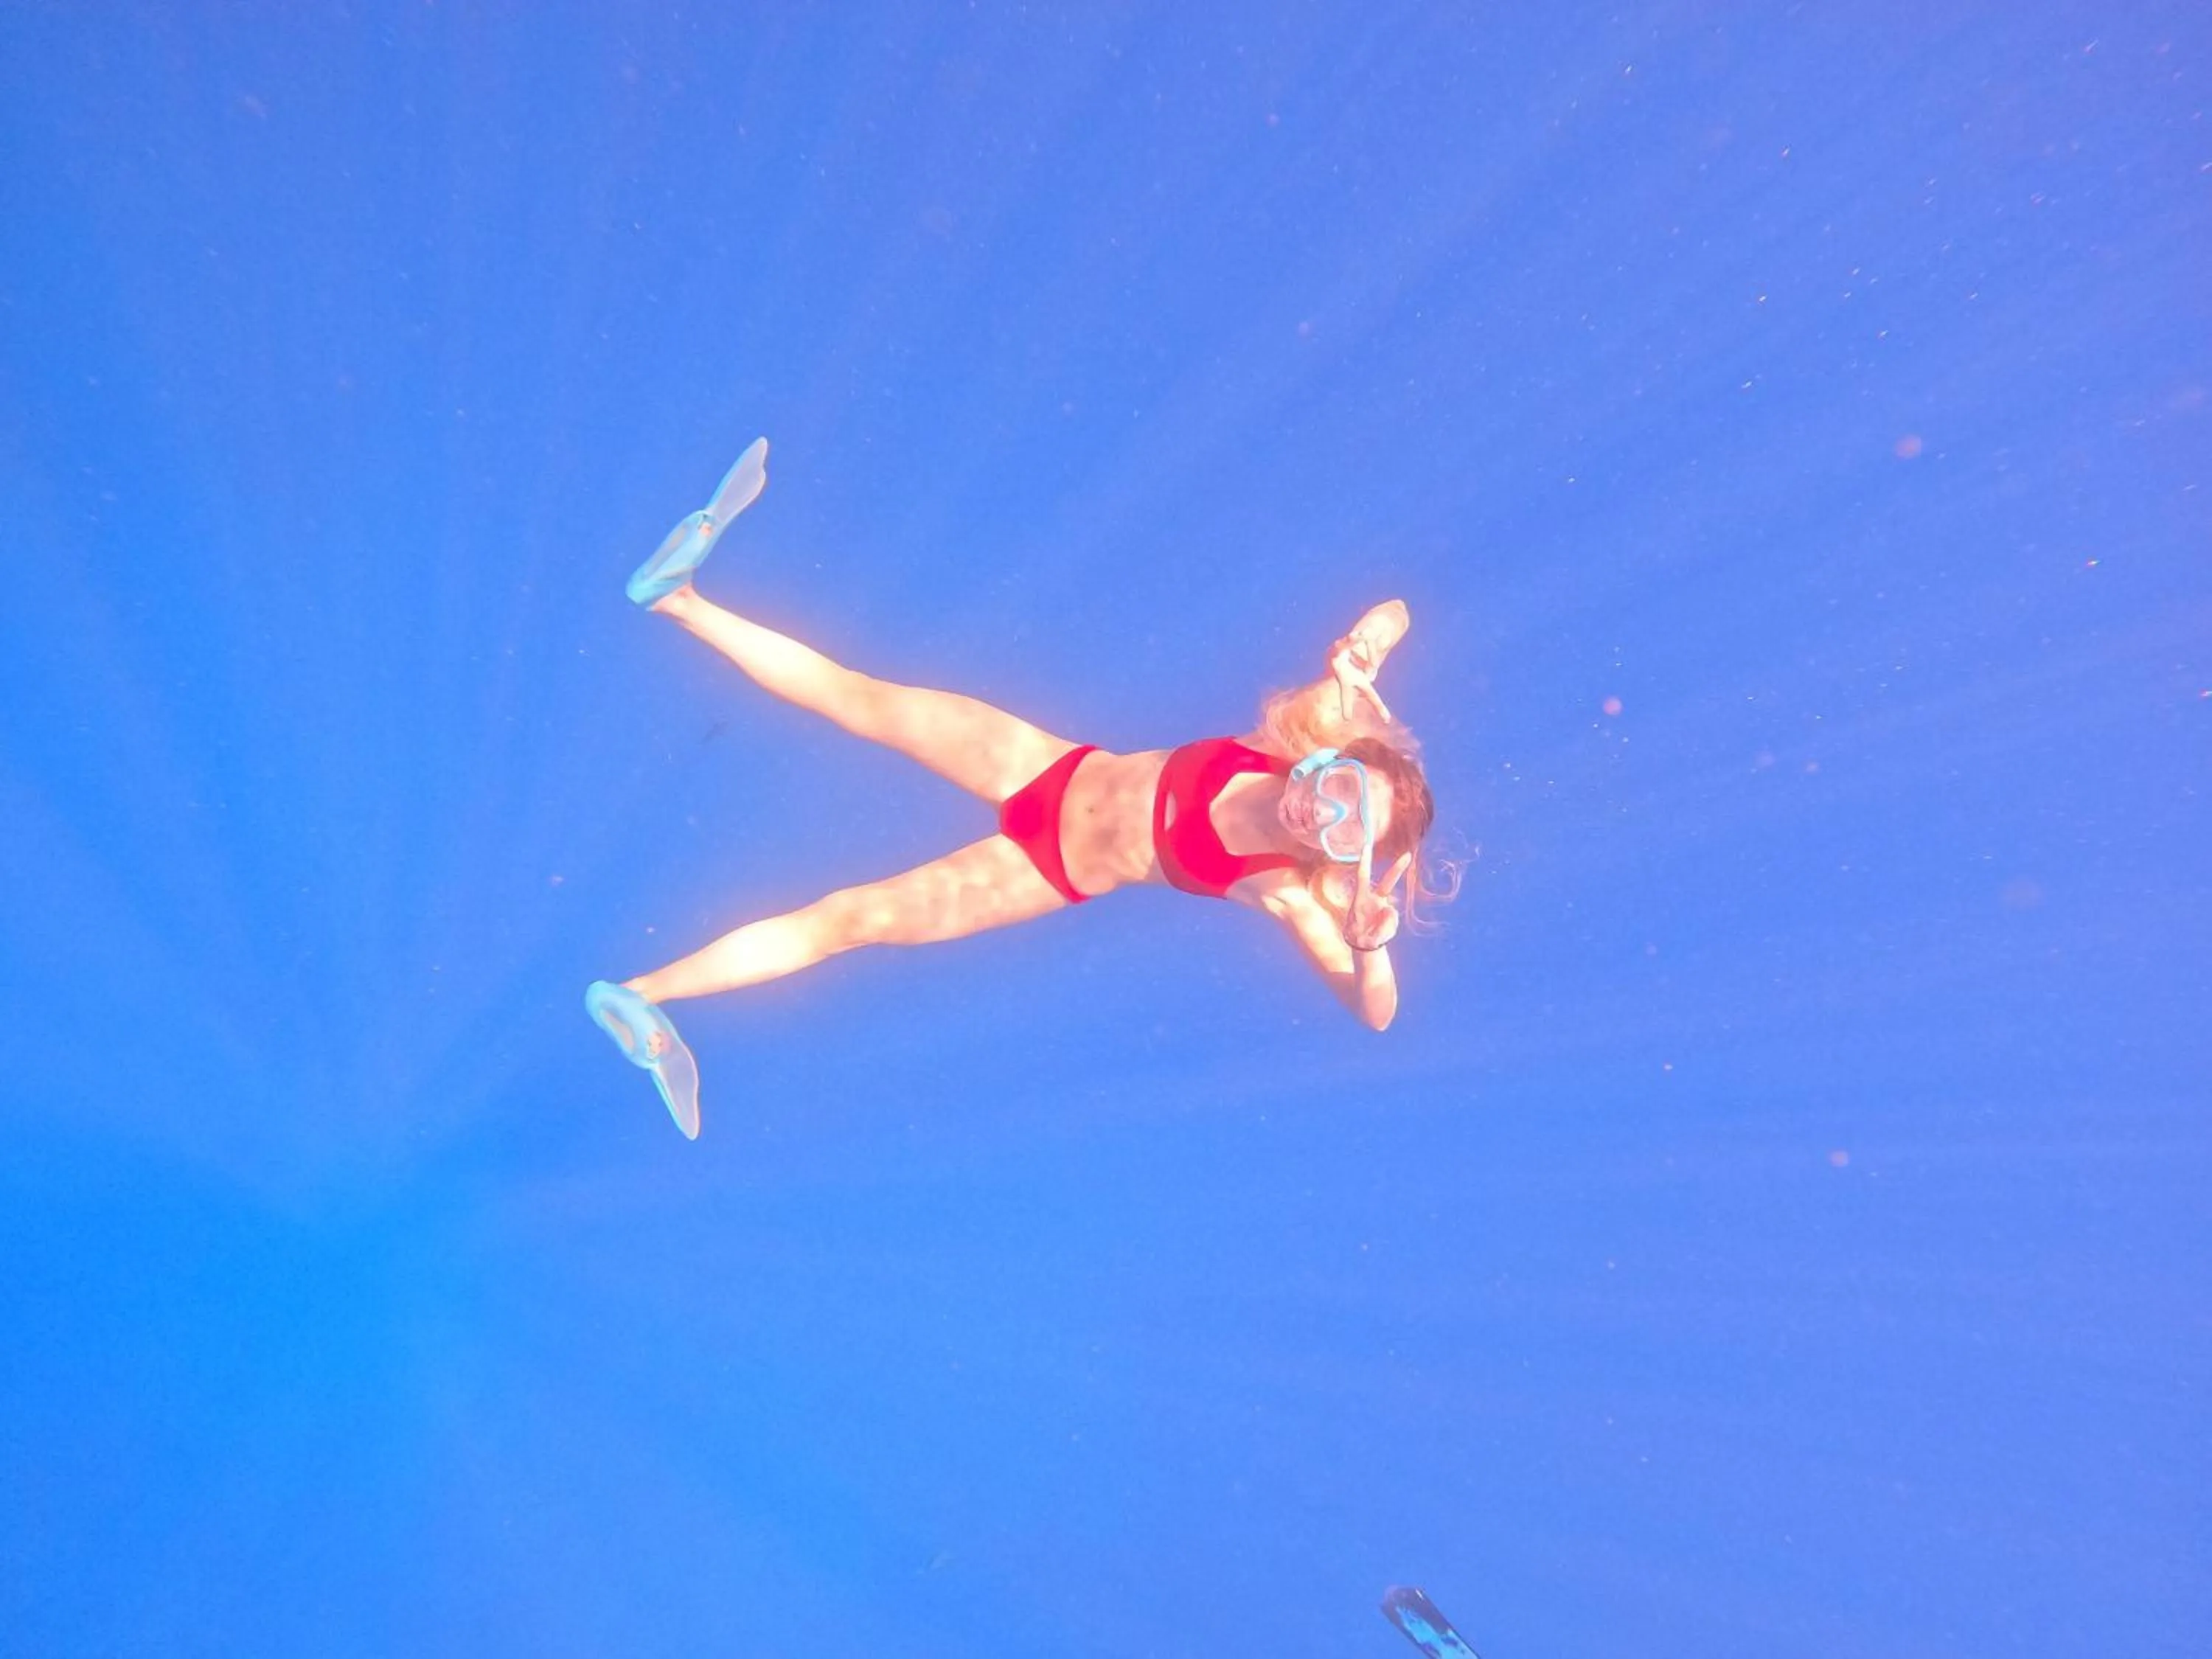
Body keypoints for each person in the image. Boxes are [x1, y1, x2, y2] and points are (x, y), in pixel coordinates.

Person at [586, 439, 1451, 1137]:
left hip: (1043, 869)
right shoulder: (1287, 734)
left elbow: (1374, 1014)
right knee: (856, 694)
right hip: (1043, 763)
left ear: (1339, 857)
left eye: (1343, 831)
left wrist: (1372, 947)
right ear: (1326, 761)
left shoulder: (1282, 887)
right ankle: (678, 601)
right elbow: (1396, 611)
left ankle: (651, 1002)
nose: (1322, 813)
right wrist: (1368, 647)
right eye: (1339, 788)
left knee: (845, 920)